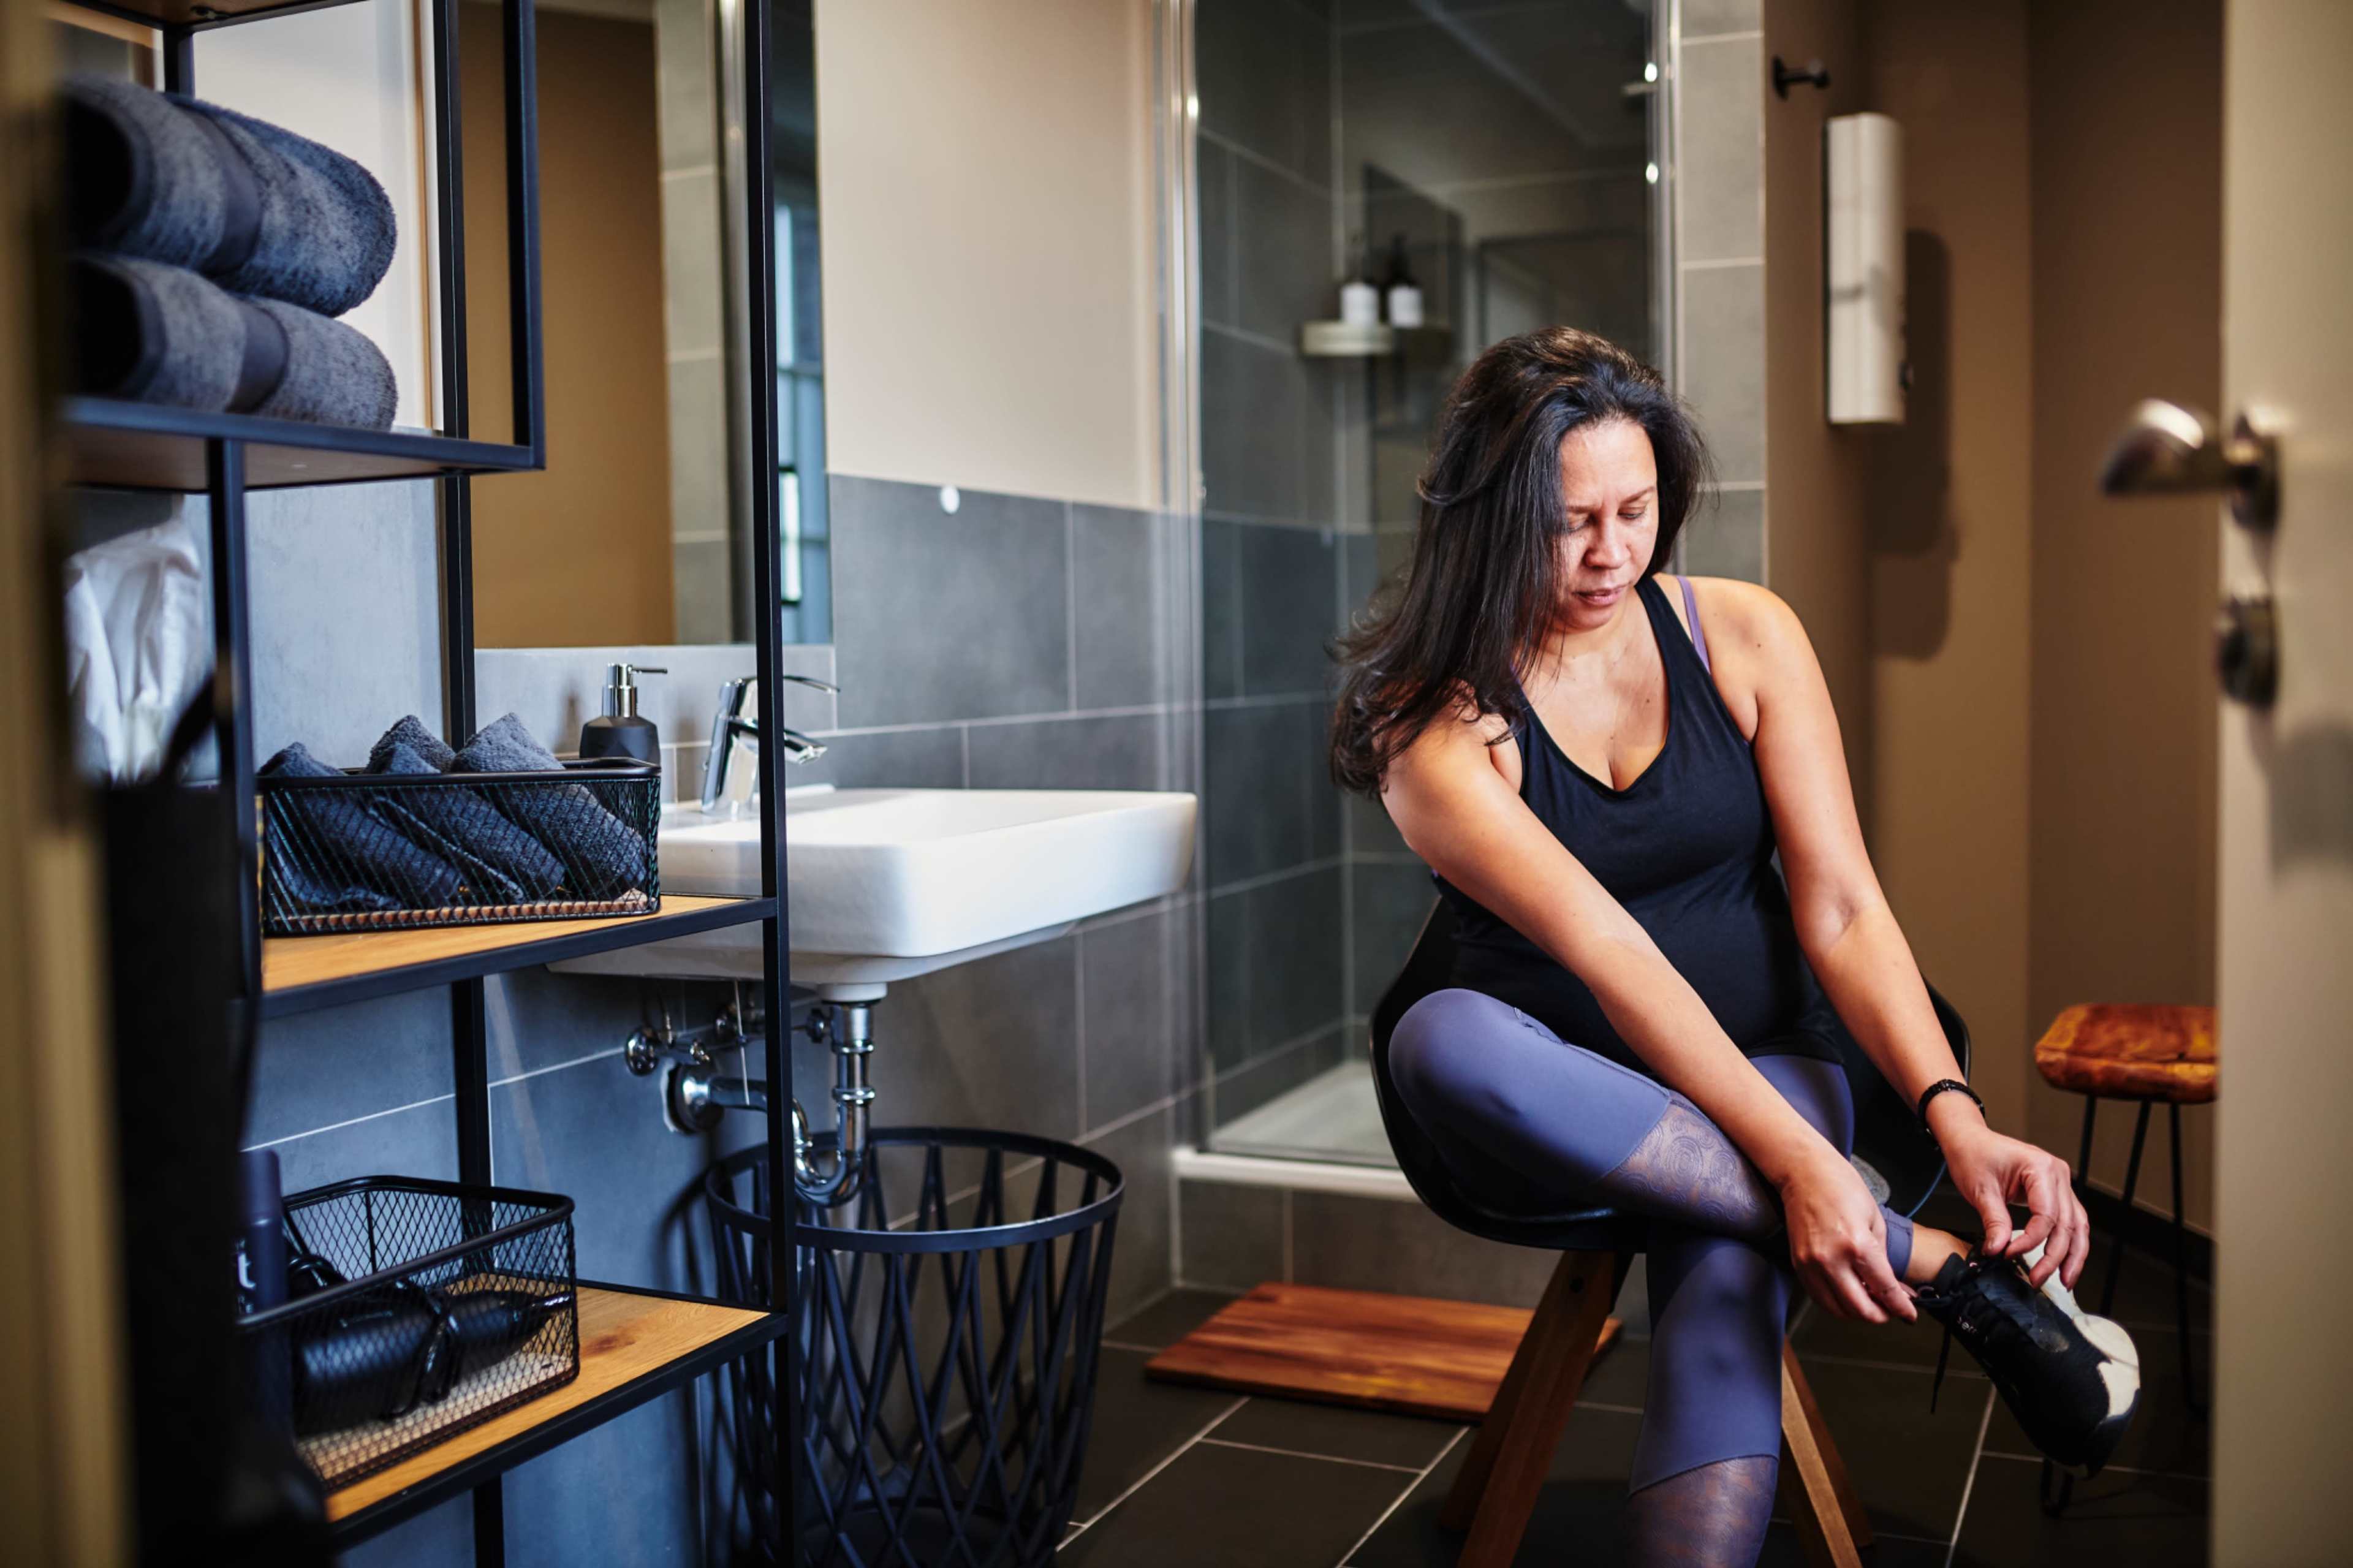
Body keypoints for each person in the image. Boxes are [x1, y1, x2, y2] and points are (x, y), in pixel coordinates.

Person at [1332, 327, 2140, 1566]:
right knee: (1441, 1036)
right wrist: (1804, 1169)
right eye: (1569, 522)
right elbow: (1609, 948)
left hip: (1775, 1052)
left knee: (1719, 1262)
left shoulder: (1744, 636)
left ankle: (1871, 1230)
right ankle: (1948, 1271)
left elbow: (1845, 908)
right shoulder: (1435, 720)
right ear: (1493, 519)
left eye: (1636, 509)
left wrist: (1956, 1111)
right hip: (1561, 1101)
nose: (1612, 553)